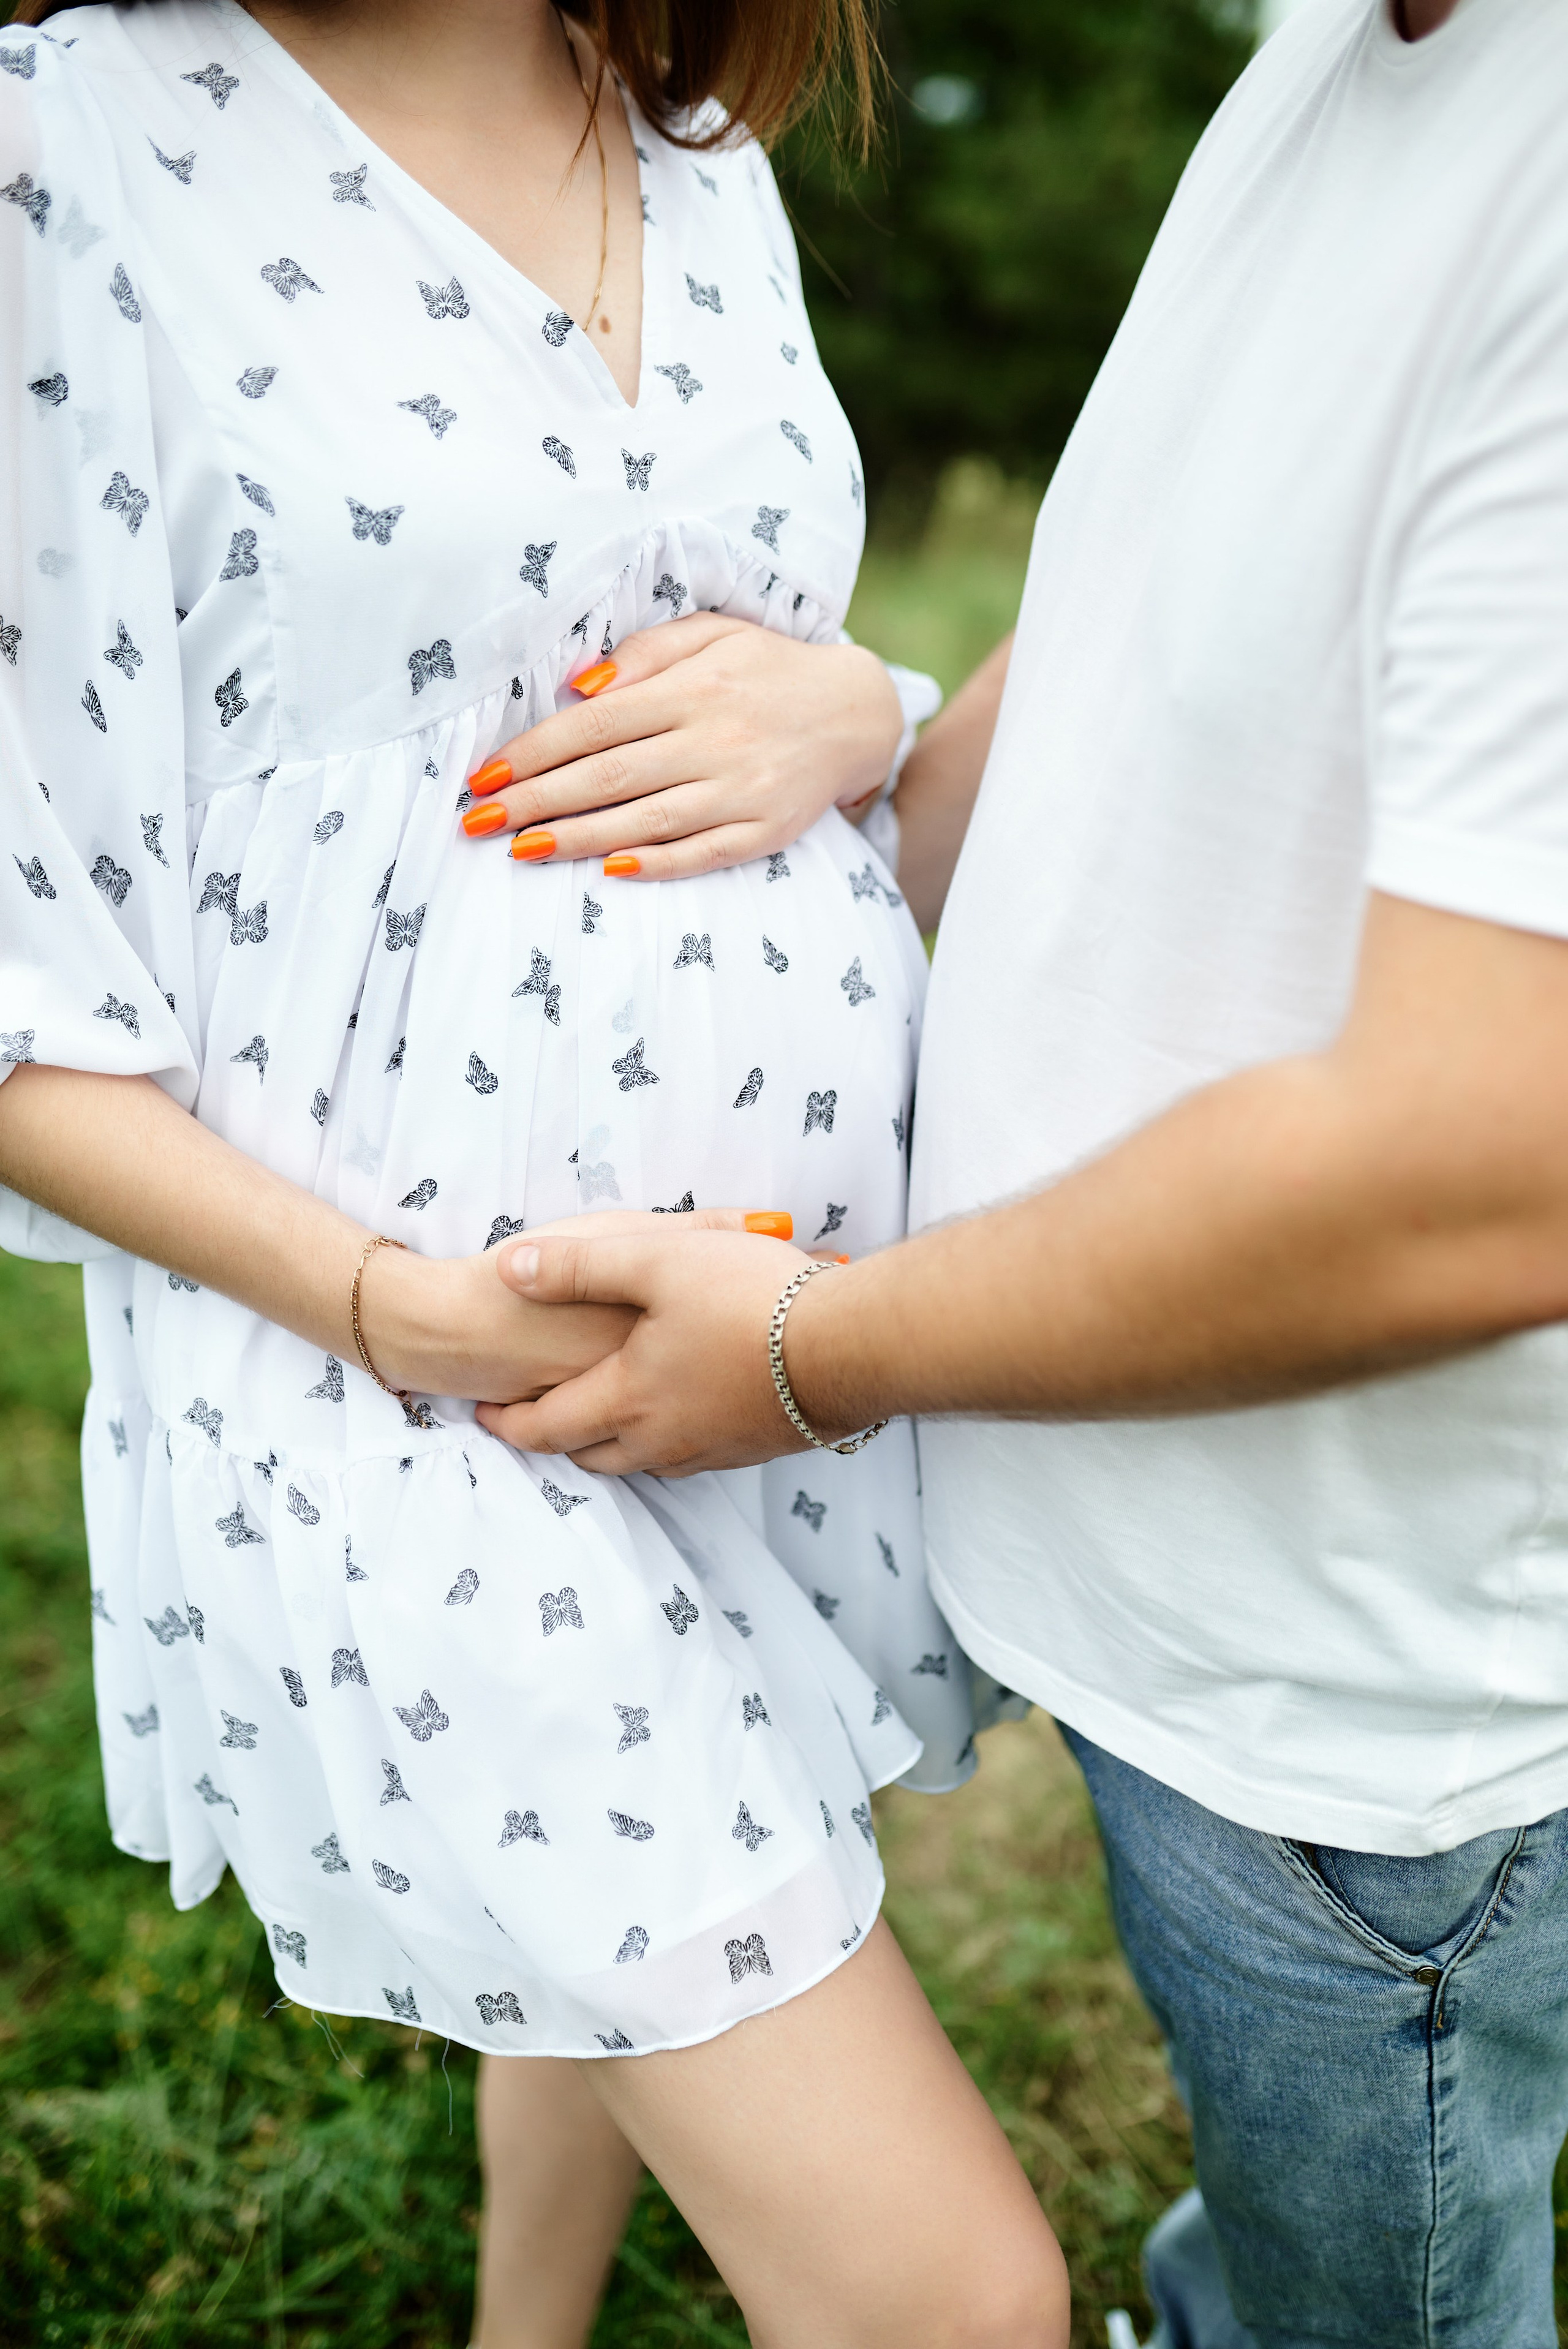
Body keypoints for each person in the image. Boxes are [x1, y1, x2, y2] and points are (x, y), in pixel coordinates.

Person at [485, 0, 1568, 2337]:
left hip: (1363, 1697)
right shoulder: (1340, 53)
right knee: (1266, 2186)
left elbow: (1500, 1161)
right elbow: (1170, 626)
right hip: (1166, 1578)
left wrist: (807, 1350)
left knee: (1366, 2278)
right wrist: (873, 733)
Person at [0, 2, 1070, 2343]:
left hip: (763, 1343)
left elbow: (718, 685)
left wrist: (866, 703)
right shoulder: (61, 152)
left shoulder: (686, 138)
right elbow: (16, 993)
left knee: (654, 1908)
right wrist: (411, 1313)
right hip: (401, 1389)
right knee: (951, 2295)